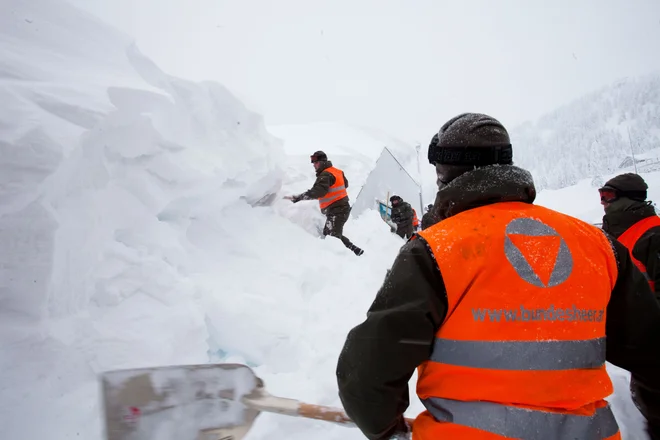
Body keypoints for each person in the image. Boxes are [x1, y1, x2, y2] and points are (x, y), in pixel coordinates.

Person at [336, 113, 660, 440]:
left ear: (444, 174)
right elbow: (653, 352)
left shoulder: (435, 250)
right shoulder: (598, 246)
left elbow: (367, 372)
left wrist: (388, 432)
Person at [285, 151, 364, 256]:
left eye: (315, 162)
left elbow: (318, 192)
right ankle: (355, 251)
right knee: (330, 234)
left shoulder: (325, 174)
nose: (314, 165)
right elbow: (346, 184)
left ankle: (351, 254)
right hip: (340, 209)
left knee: (333, 237)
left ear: (322, 162)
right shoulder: (337, 171)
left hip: (338, 210)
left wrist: (299, 197)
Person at [599, 173, 660, 299]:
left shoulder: (654, 234)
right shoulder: (607, 234)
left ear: (630, 198)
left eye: (608, 195)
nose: (603, 201)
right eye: (601, 196)